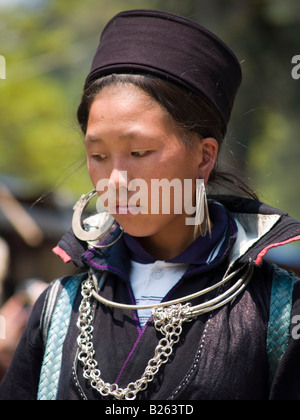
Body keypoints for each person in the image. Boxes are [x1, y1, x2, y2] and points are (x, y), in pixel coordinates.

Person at [1, 9, 300, 401]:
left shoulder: (277, 310)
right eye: (99, 156)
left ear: (204, 156)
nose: (116, 182)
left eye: (139, 152)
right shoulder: (60, 308)